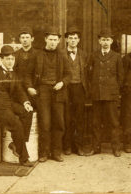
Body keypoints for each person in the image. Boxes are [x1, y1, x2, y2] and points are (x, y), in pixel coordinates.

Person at [0, 45, 34, 166]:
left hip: (9, 103)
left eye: (12, 59)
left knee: (28, 112)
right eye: (8, 59)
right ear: (2, 59)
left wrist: (26, 103)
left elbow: (20, 91)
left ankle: (15, 144)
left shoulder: (14, 74)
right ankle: (24, 158)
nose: (10, 62)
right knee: (17, 124)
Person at [28, 31, 71, 162]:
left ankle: (56, 152)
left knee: (59, 123)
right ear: (46, 39)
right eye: (50, 39)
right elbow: (27, 74)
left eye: (55, 40)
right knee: (45, 123)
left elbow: (69, 74)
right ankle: (44, 153)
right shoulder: (37, 55)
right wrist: (30, 87)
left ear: (59, 41)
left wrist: (62, 83)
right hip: (43, 91)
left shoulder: (62, 55)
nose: (53, 42)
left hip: (58, 91)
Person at [88, 28, 123, 157]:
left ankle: (116, 148)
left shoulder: (116, 56)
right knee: (96, 122)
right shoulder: (94, 55)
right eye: (103, 40)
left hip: (111, 94)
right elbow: (89, 74)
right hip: (97, 94)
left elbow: (120, 77)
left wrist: (115, 91)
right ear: (99, 41)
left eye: (108, 40)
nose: (105, 42)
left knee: (114, 122)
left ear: (112, 41)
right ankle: (96, 147)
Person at [63, 26, 90, 156]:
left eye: (75, 38)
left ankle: (79, 146)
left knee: (79, 119)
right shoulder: (61, 54)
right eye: (70, 38)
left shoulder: (84, 54)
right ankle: (67, 146)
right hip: (66, 89)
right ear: (66, 40)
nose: (73, 41)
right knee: (67, 118)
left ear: (79, 40)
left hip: (79, 88)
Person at [14, 27, 40, 107]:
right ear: (20, 39)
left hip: (34, 89)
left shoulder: (39, 54)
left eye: (27, 37)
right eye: (22, 37)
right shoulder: (15, 54)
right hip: (19, 89)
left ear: (32, 39)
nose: (25, 40)